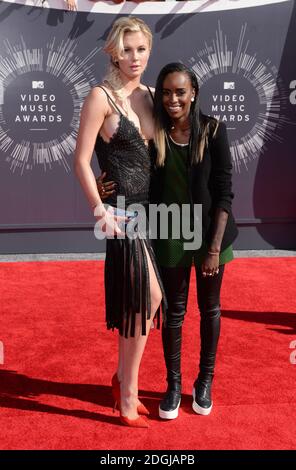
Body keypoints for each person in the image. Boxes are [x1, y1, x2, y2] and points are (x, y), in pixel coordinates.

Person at [98, 62, 238, 420]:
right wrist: (105, 180)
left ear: (193, 93)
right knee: (173, 312)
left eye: (181, 91)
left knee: (210, 310)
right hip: (169, 231)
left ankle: (203, 382)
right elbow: (121, 156)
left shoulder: (214, 130)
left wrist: (212, 250)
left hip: (210, 237)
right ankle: (173, 386)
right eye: (166, 92)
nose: (173, 99)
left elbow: (224, 191)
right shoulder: (155, 130)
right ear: (158, 95)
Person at [74, 16, 166, 428]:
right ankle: (127, 394)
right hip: (123, 212)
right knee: (145, 296)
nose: (134, 57)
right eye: (126, 49)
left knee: (141, 304)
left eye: (141, 49)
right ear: (113, 51)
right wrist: (100, 208)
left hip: (158, 212)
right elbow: (80, 159)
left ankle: (122, 381)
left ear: (149, 51)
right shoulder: (100, 97)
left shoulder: (150, 95)